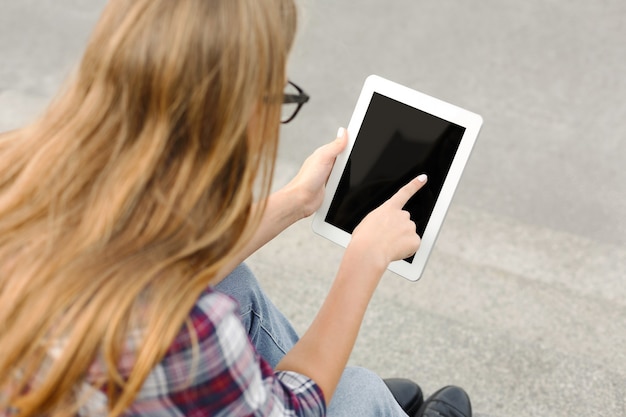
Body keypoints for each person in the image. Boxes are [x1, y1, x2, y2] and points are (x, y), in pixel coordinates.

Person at [0, 1, 472, 416]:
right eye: (276, 93)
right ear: (232, 113)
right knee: (361, 392)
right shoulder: (182, 332)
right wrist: (363, 262)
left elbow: (158, 259)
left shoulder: (15, 169)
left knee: (231, 282)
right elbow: (294, 409)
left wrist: (294, 201)